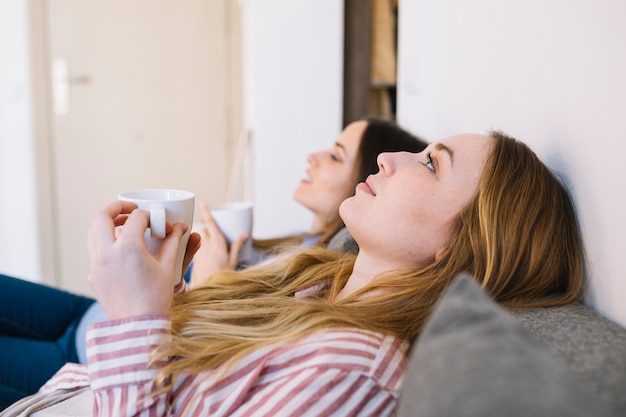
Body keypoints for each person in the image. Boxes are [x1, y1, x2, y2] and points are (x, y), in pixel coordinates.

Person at [3, 130, 585, 416]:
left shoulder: (355, 374)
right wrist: (166, 289)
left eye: (431, 163)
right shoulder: (317, 281)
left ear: (462, 246)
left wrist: (136, 316)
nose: (390, 157)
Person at [0, 117, 427, 410]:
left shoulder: (352, 360)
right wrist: (170, 289)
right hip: (98, 324)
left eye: (336, 155)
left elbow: (203, 362)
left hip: (103, 352)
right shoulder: (316, 266)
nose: (313, 156)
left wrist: (160, 303)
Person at [187, 117, 428, 286]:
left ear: (367, 181)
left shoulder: (313, 275)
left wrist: (208, 282)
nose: (313, 157)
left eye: (335, 156)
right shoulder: (297, 241)